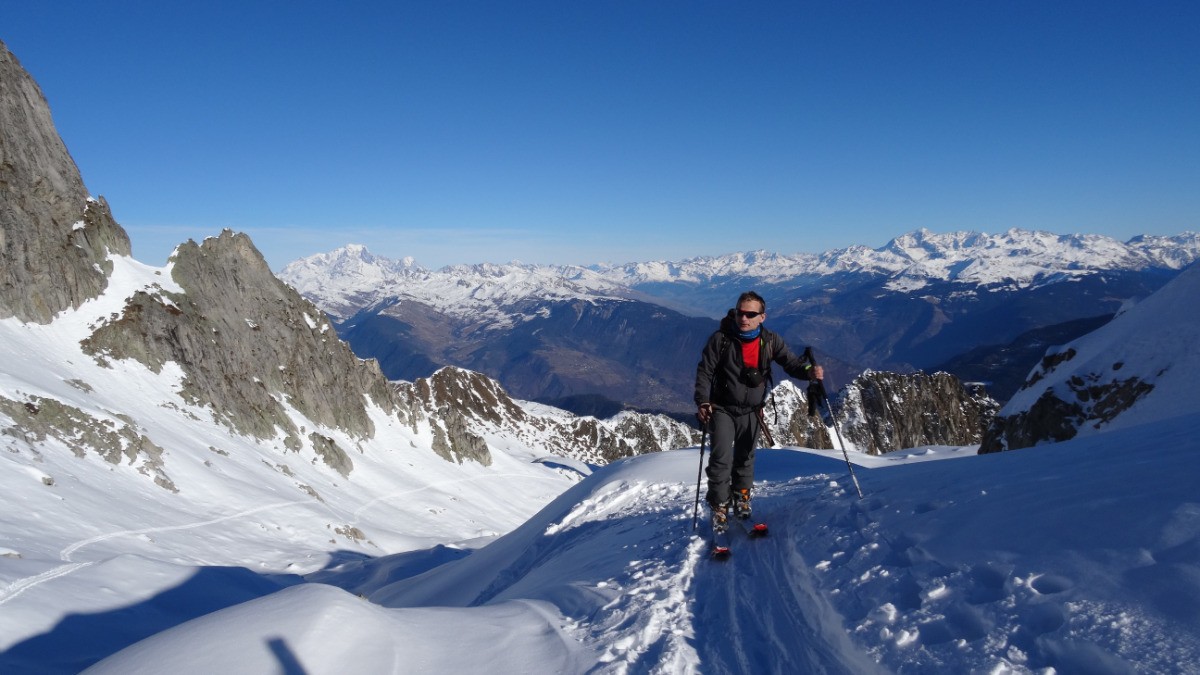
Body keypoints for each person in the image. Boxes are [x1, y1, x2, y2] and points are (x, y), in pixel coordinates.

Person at [694, 291, 823, 533]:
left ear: (762, 317)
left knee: (745, 456)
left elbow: (792, 363)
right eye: (741, 312)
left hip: (752, 410)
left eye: (750, 314)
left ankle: (742, 496)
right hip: (721, 408)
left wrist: (809, 371)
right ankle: (720, 505)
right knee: (721, 457)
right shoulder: (721, 340)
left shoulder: (771, 341)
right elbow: (705, 372)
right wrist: (703, 402)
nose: (744, 318)